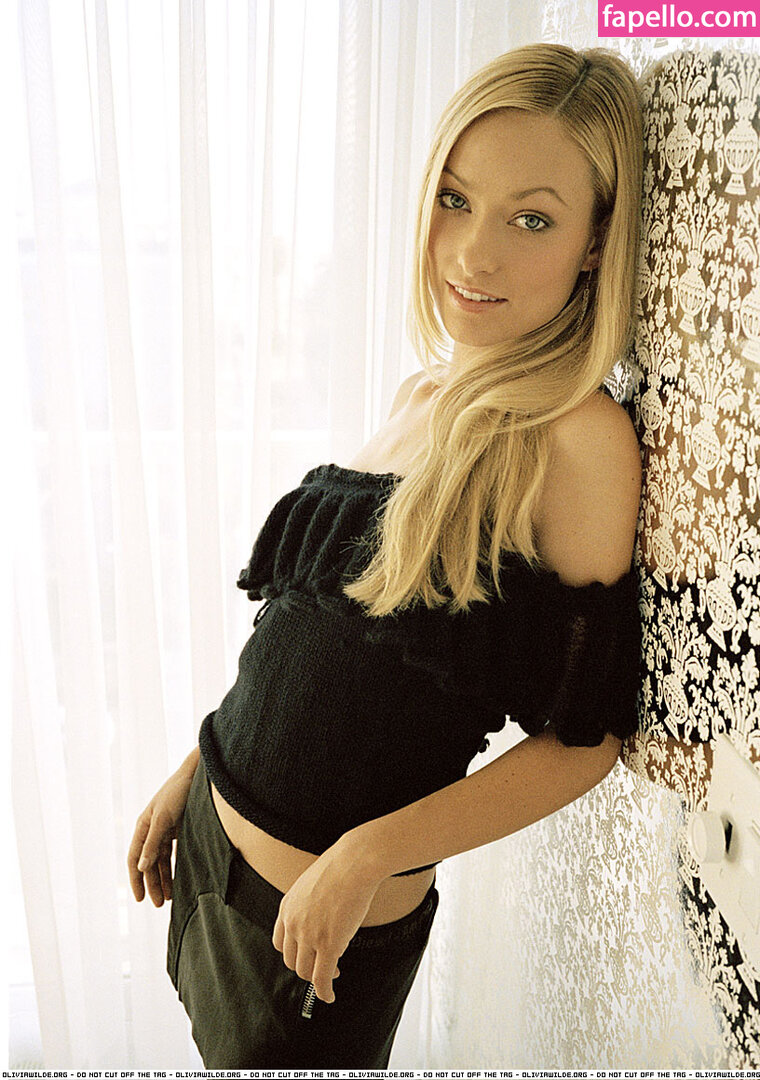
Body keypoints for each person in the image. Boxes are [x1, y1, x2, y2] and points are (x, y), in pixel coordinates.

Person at [127, 42, 644, 1069]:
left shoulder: (578, 437)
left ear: (596, 242)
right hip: (213, 859)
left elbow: (585, 742)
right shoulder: (426, 392)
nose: (473, 254)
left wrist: (366, 856)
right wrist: (197, 766)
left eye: (531, 219)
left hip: (320, 925)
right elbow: (319, 633)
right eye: (456, 199)